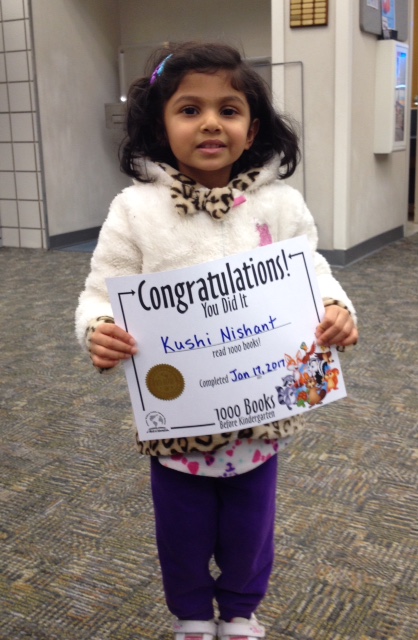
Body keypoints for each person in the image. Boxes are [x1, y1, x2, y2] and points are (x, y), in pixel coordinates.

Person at [75, 41, 358, 640]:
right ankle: (192, 617)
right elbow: (100, 293)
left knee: (252, 527)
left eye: (228, 110)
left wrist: (336, 308)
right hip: (178, 420)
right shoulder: (135, 210)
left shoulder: (279, 205)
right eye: (189, 109)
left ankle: (239, 612)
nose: (210, 122)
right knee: (179, 529)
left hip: (263, 414)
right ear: (159, 122)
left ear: (252, 129)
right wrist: (98, 330)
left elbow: (314, 275)